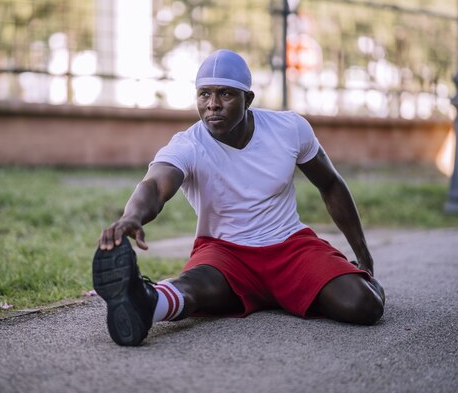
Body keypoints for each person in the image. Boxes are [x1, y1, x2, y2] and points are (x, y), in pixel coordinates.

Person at [93, 49, 385, 346]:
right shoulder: (188, 145)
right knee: (194, 288)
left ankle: (315, 288)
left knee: (364, 305)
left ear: (248, 99)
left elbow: (331, 184)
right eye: (204, 94)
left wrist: (362, 255)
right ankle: (144, 302)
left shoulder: (289, 129)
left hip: (289, 248)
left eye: (225, 94)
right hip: (225, 254)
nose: (212, 105)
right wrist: (132, 216)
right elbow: (155, 186)